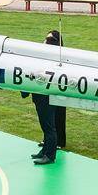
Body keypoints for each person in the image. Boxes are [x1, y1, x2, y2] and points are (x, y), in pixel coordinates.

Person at [24, 30, 67, 166]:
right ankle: (44, 150)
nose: (44, 42)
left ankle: (50, 155)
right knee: (46, 126)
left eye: (48, 40)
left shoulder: (53, 60)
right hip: (41, 96)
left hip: (46, 96)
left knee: (49, 127)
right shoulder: (46, 57)